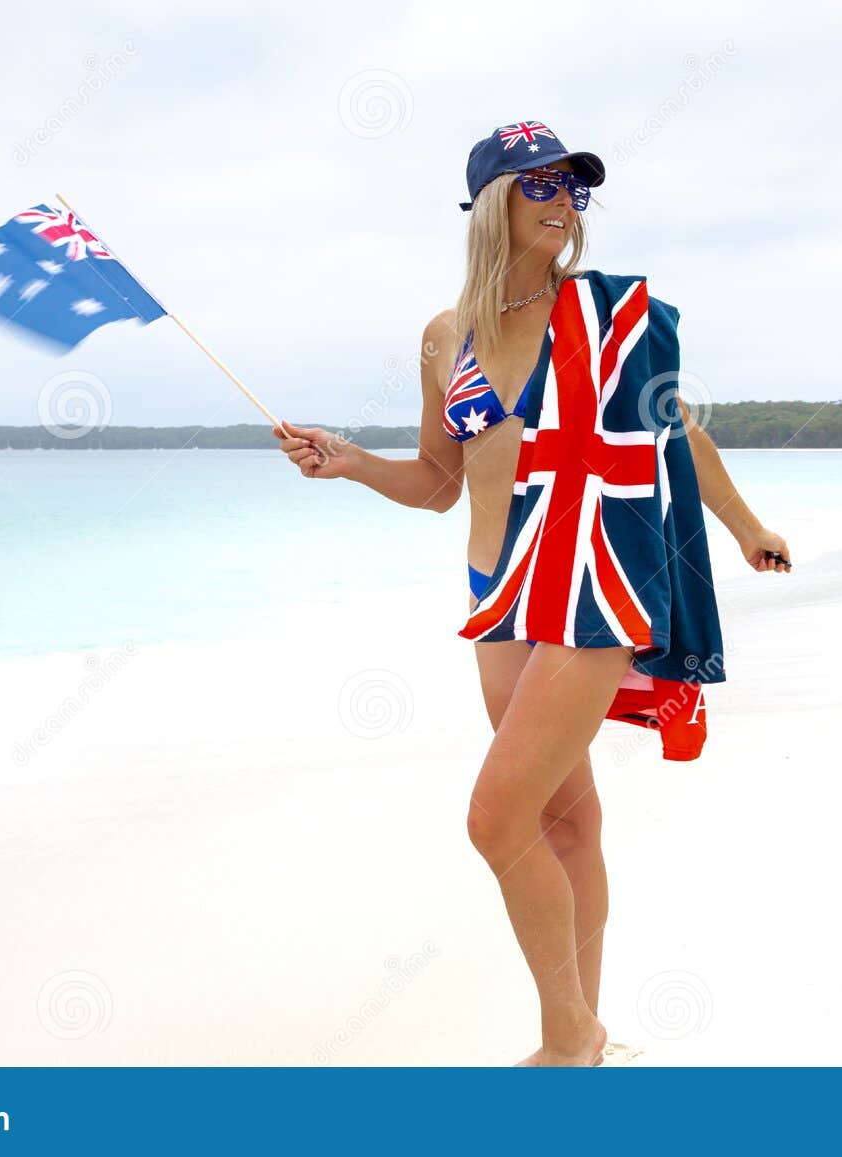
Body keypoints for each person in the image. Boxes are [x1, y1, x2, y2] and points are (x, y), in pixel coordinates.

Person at [272, 121, 788, 1066]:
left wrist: (745, 525)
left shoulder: (601, 321)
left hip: (592, 584)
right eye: (538, 184)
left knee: (495, 818)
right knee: (563, 817)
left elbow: (670, 438)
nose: (562, 201)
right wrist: (348, 464)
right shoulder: (444, 338)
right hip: (497, 593)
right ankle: (588, 1032)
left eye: (573, 187)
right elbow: (438, 480)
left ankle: (566, 1039)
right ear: (488, 205)